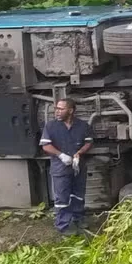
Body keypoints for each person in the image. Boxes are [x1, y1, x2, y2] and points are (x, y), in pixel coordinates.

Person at [39, 99, 94, 236]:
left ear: (70, 111)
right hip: (60, 168)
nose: (57, 111)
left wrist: (80, 152)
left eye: (61, 109)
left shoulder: (82, 126)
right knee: (62, 197)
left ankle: (78, 219)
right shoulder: (51, 126)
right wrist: (61, 155)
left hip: (78, 166)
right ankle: (62, 225)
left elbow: (89, 142)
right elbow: (46, 146)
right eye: (56, 108)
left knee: (78, 194)